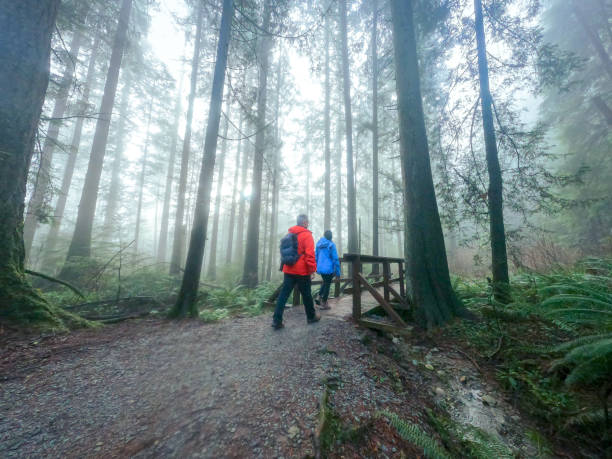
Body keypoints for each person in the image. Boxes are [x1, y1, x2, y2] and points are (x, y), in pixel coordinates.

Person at [272, 214, 321, 330]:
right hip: (301, 270)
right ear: (304, 223)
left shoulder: (289, 233)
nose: (308, 223)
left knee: (283, 295)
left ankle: (276, 320)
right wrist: (312, 270)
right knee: (307, 295)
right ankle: (311, 316)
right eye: (307, 222)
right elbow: (310, 255)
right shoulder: (307, 235)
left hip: (288, 269)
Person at [315, 230, 341, 310]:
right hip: (329, 268)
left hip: (320, 267)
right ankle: (324, 303)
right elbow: (335, 259)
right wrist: (338, 272)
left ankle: (319, 296)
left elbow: (316, 256)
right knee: (327, 284)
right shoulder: (331, 245)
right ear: (331, 236)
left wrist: (317, 266)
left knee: (325, 282)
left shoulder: (318, 244)